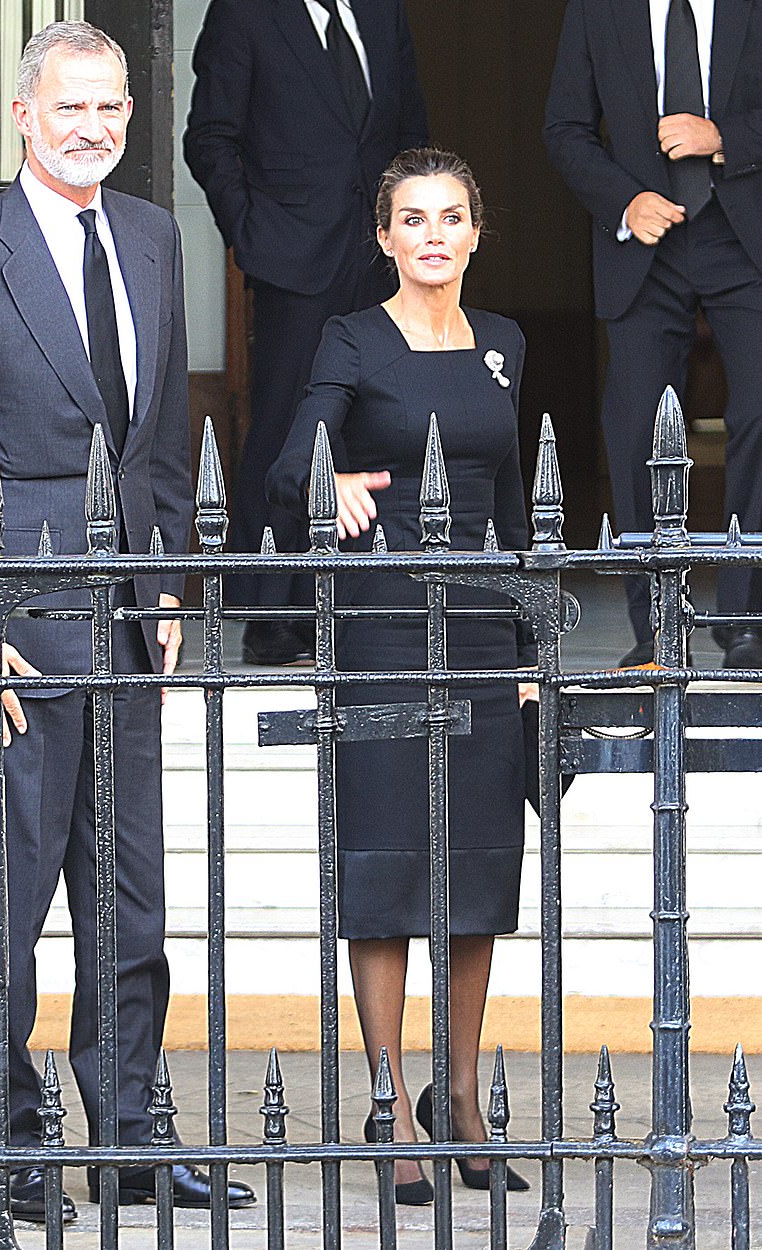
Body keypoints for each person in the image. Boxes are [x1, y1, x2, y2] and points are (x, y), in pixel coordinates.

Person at [0, 20, 254, 1219]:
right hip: (8, 625)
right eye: (70, 107)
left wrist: (162, 590)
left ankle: (133, 1132)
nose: (93, 127)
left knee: (129, 887)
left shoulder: (149, 237)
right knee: (9, 891)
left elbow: (149, 450)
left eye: (112, 108)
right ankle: (11, 1138)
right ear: (22, 116)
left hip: (124, 624)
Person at [267, 148, 532, 1202]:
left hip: (475, 629)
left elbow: (518, 510)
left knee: (474, 873)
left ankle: (457, 1093)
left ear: (474, 232)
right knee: (382, 870)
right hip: (377, 625)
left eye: (450, 216)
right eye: (411, 218)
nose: (431, 234)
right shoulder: (348, 336)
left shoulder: (505, 344)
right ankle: (386, 1099)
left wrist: (524, 653)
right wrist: (323, 474)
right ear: (382, 235)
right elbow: (294, 458)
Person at [183, 0, 429, 665]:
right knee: (289, 424)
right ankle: (271, 613)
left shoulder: (382, 14)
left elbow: (410, 134)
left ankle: (354, 605)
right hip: (293, 259)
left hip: (379, 258)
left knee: (371, 425)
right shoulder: (247, 15)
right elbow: (209, 135)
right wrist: (249, 232)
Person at [544, 0, 762, 668]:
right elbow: (565, 129)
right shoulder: (595, 11)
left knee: (759, 414)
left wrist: (722, 136)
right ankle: (657, 627)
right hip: (642, 243)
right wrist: (623, 199)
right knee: (636, 427)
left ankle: (747, 619)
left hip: (744, 237)